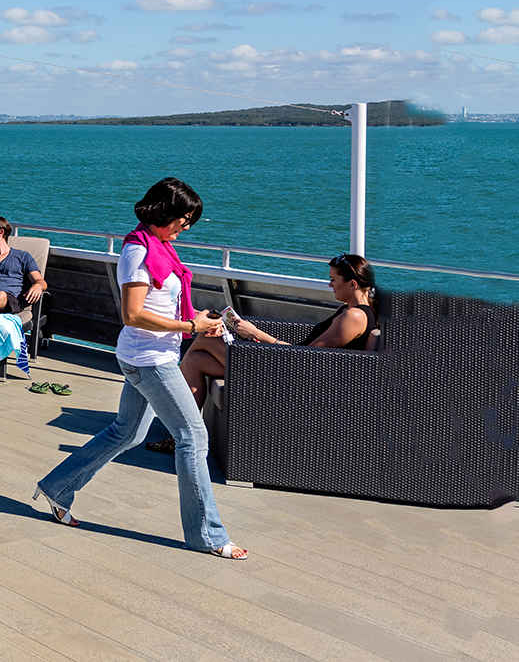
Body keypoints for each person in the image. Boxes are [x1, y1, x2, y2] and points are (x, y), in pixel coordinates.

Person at [34, 177, 247, 561]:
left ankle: (57, 487)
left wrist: (196, 317)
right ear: (164, 214)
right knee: (193, 439)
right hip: (151, 361)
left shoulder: (161, 248)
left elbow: (160, 305)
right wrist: (190, 328)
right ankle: (207, 535)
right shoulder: (137, 252)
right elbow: (132, 314)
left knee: (126, 433)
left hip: (149, 357)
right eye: (184, 218)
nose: (187, 226)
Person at [178, 253, 379, 409]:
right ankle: (187, 434)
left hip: (293, 376)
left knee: (207, 338)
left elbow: (306, 358)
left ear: (352, 284)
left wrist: (255, 333)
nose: (329, 285)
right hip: (291, 366)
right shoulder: (352, 311)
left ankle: (175, 413)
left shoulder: (354, 317)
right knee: (196, 360)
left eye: (334, 280)